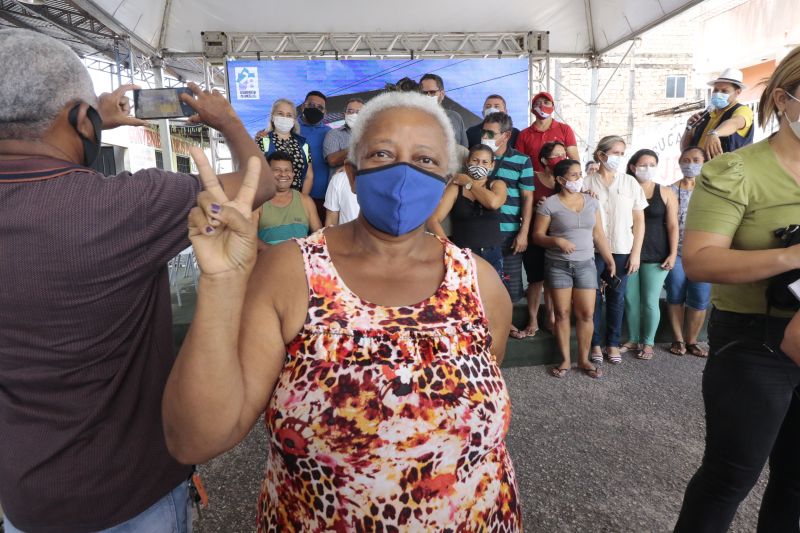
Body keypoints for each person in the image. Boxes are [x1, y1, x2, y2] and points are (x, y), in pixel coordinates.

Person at [161, 91, 522, 531]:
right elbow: (194, 439)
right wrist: (220, 282)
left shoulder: (480, 282)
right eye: (382, 153)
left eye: (425, 160)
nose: (403, 172)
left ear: (447, 179)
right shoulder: (290, 272)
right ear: (351, 174)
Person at [0, 28, 274, 533]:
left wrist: (87, 117)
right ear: (83, 120)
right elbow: (260, 183)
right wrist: (228, 120)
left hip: (23, 497)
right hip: (131, 491)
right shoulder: (125, 207)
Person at [673, 46, 800, 533]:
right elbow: (700, 261)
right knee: (731, 476)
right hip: (753, 341)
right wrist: (791, 256)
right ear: (784, 100)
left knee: (795, 482)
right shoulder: (736, 170)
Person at [532, 159, 615, 379]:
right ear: (560, 180)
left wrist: (609, 259)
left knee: (587, 313)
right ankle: (565, 360)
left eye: (580, 174)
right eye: (574, 175)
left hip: (586, 264)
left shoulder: (591, 202)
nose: (579, 179)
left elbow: (599, 234)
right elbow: (538, 236)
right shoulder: (549, 203)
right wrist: (556, 241)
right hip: (558, 265)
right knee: (562, 314)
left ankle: (584, 359)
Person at [584, 135, 648, 364]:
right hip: (592, 250)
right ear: (601, 155)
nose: (618, 158)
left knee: (617, 297)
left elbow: (639, 220)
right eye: (615, 153)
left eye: (622, 153)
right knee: (592, 298)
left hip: (622, 248)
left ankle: (612, 343)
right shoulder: (586, 182)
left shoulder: (630, 183)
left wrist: (636, 253)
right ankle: (595, 344)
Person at [621, 149, 678, 360]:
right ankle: (633, 338)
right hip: (627, 252)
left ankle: (648, 342)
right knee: (630, 299)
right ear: (633, 167)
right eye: (643, 165)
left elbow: (672, 226)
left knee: (650, 300)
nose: (648, 169)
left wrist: (673, 254)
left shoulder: (665, 192)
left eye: (652, 165)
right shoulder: (624, 189)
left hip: (656, 253)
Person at [480, 112, 535, 309]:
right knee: (482, 285)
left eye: (491, 133)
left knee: (510, 288)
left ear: (506, 135)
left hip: (509, 233)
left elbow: (528, 198)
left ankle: (506, 326)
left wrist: (523, 233)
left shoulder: (522, 160)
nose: (485, 137)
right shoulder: (475, 157)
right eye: (483, 132)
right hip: (481, 232)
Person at [428, 143, 508, 278]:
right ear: (467, 162)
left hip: (492, 253)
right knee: (464, 297)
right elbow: (433, 220)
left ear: (491, 165)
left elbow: (493, 203)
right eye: (475, 160)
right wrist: (450, 248)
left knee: (492, 296)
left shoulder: (497, 184)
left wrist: (469, 184)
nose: (479, 165)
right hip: (463, 254)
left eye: (484, 162)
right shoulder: (456, 188)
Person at [515, 141, 566, 338]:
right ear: (544, 160)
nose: (562, 158)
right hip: (535, 236)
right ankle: (533, 319)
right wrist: (538, 207)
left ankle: (551, 316)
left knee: (554, 280)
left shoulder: (567, 181)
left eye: (564, 154)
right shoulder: (533, 178)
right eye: (557, 155)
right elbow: (522, 204)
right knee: (536, 279)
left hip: (558, 238)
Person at [665, 146, 711, 357]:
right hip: (677, 252)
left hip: (704, 254)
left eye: (695, 160)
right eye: (686, 159)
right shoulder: (670, 190)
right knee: (675, 296)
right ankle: (678, 340)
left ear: (704, 162)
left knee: (700, 299)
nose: (690, 164)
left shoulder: (712, 191)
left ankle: (692, 340)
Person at [681, 68, 754, 159]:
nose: (718, 94)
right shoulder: (705, 115)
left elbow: (735, 123)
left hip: (725, 172)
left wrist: (715, 133)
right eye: (715, 90)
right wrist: (688, 130)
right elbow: (684, 150)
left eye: (724, 91)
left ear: (737, 92)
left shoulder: (743, 110)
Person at [258, 151, 321, 244]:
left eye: (287, 170)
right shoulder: (258, 202)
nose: (283, 174)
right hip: (268, 257)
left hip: (300, 257)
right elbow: (249, 239)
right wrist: (279, 253)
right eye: (277, 170)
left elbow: (319, 236)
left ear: (293, 173)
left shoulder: (306, 201)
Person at [255, 98, 314, 195]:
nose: (284, 118)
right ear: (273, 117)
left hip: (296, 198)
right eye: (280, 114)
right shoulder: (263, 140)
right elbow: (256, 174)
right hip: (269, 198)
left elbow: (309, 176)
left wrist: (303, 200)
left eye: (289, 115)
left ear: (294, 120)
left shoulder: (303, 144)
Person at [515, 91, 580, 172]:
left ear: (553, 107)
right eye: (538, 103)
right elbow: (518, 163)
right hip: (532, 182)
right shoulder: (523, 134)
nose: (542, 105)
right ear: (532, 110)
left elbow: (574, 160)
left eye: (546, 102)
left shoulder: (565, 129)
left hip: (560, 181)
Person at [298, 90, 332, 216]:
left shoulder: (330, 133)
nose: (315, 109)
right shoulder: (290, 128)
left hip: (323, 198)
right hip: (294, 196)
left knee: (320, 235)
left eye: (320, 107)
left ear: (324, 112)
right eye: (311, 105)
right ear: (303, 106)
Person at [419, 73, 469, 147]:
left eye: (432, 92)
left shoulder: (455, 117)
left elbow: (465, 150)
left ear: (442, 94)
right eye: (424, 93)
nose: (428, 96)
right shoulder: (414, 119)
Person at [323, 98, 364, 175]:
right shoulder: (334, 134)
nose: (354, 115)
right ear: (344, 114)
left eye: (359, 112)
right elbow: (332, 160)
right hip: (340, 184)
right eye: (350, 112)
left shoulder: (372, 134)